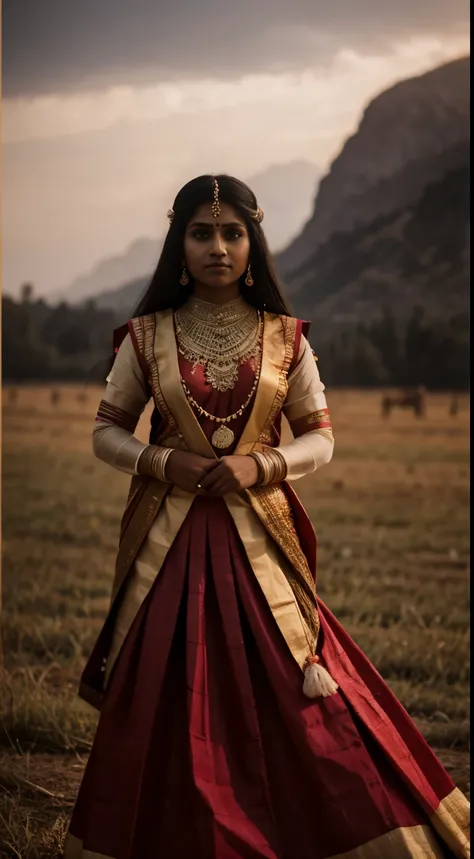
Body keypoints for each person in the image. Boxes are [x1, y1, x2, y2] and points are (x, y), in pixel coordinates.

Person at [64, 175, 469, 859]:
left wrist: (262, 465)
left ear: (253, 242)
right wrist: (165, 464)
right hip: (173, 543)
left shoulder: (285, 338)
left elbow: (321, 436)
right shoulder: (146, 336)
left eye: (232, 232)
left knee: (303, 689)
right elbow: (107, 432)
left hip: (260, 541)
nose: (217, 247)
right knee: (170, 689)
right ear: (179, 243)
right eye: (201, 232)